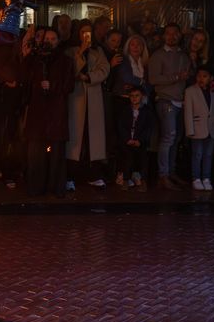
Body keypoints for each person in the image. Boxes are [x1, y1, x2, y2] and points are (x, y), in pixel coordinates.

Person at [21, 28, 75, 197]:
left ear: (58, 41)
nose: (50, 41)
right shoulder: (35, 59)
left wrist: (53, 87)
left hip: (55, 112)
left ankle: (55, 187)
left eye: (53, 38)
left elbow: (69, 85)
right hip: (38, 111)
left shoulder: (66, 61)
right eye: (47, 38)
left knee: (56, 152)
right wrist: (26, 57)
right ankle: (36, 187)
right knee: (36, 151)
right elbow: (23, 78)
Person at [65, 20, 110, 190]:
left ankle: (94, 174)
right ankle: (70, 176)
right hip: (76, 99)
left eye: (88, 32)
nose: (86, 35)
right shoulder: (70, 51)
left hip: (94, 98)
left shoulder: (98, 51)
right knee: (76, 138)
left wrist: (89, 77)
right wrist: (80, 53)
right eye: (83, 32)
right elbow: (70, 70)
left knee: (94, 138)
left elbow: (105, 70)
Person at [149, 23, 192, 190]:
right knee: (168, 137)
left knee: (176, 139)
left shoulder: (183, 55)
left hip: (181, 102)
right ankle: (163, 175)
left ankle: (171, 172)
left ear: (180, 35)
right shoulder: (158, 55)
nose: (172, 36)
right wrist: (175, 77)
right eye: (168, 33)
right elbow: (153, 79)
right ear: (163, 36)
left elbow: (188, 76)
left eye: (175, 33)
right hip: (166, 101)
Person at [184, 65, 214, 191]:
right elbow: (188, 112)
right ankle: (196, 178)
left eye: (205, 76)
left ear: (210, 78)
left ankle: (206, 177)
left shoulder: (213, 91)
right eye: (199, 76)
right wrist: (190, 130)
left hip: (210, 128)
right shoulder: (190, 91)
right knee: (197, 154)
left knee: (208, 154)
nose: (201, 79)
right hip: (197, 128)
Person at [115, 86, 152, 190]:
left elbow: (148, 128)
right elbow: (121, 126)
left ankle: (143, 181)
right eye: (131, 96)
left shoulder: (146, 112)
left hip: (140, 142)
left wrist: (140, 140)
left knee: (143, 157)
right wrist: (127, 139)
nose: (134, 98)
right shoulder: (125, 111)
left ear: (142, 97)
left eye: (137, 96)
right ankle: (125, 179)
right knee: (127, 156)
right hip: (127, 141)